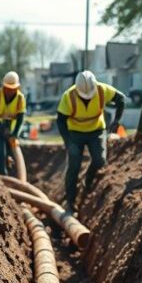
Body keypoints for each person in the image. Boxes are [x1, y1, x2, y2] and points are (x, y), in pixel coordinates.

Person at [56, 70, 126, 213]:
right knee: (74, 166)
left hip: (96, 131)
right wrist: (68, 142)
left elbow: (121, 99)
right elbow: (61, 121)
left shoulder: (102, 90)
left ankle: (88, 181)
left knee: (100, 160)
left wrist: (116, 121)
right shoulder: (68, 96)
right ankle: (70, 201)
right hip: (75, 134)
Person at [0, 71, 26, 176]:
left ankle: (6, 172)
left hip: (10, 128)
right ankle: (1, 176)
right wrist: (3, 130)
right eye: (7, 88)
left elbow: (20, 119)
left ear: (17, 88)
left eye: (12, 89)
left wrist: (15, 134)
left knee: (8, 155)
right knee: (1, 153)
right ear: (3, 86)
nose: (9, 91)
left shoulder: (20, 98)